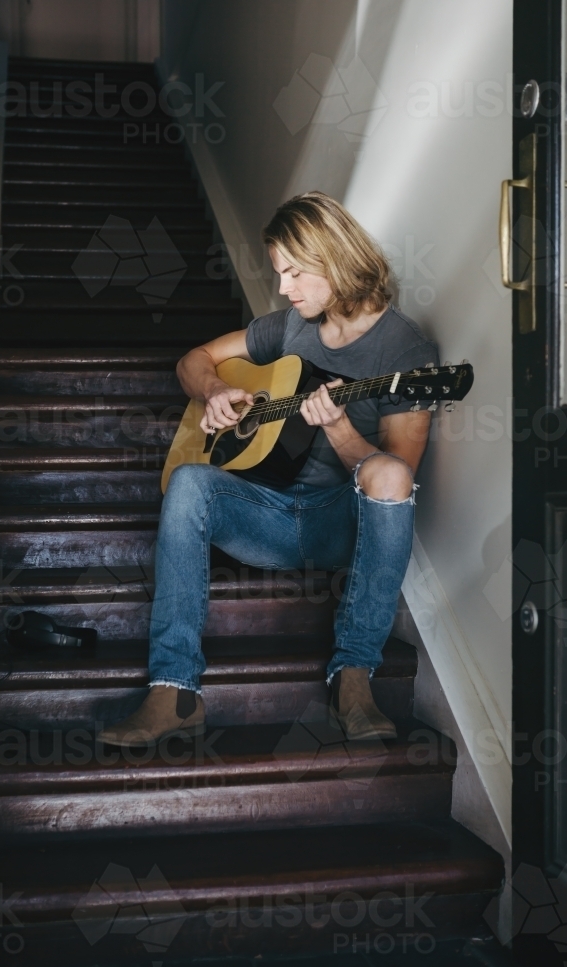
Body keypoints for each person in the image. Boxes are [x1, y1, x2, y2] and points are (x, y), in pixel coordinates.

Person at [99, 191, 439, 749]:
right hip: (268, 515)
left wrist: (341, 431)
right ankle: (174, 691)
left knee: (391, 478)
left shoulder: (406, 354)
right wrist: (213, 390)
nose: (284, 287)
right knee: (188, 480)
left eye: (294, 272)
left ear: (335, 258)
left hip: (337, 521)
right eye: (280, 273)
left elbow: (393, 476)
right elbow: (193, 360)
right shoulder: (288, 329)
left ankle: (353, 675)